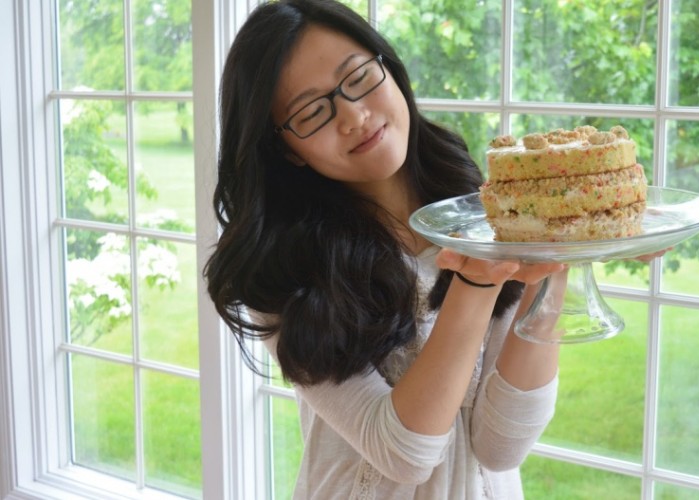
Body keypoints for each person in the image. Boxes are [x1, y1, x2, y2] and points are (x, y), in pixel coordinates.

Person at [204, 0, 568, 498]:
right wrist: (474, 281)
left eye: (357, 78)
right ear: (288, 148)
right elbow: (403, 452)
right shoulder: (278, 267)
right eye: (312, 111)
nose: (353, 116)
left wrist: (557, 262)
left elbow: (502, 446)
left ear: (388, 66)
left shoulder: (484, 206)